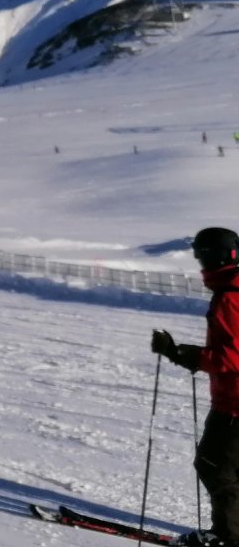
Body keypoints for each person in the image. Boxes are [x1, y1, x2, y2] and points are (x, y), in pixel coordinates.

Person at [152, 227, 239, 546]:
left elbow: (231, 357)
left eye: (202, 257)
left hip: (234, 404)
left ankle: (229, 539)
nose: (200, 264)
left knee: (213, 465)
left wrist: (181, 354)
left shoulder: (230, 296)